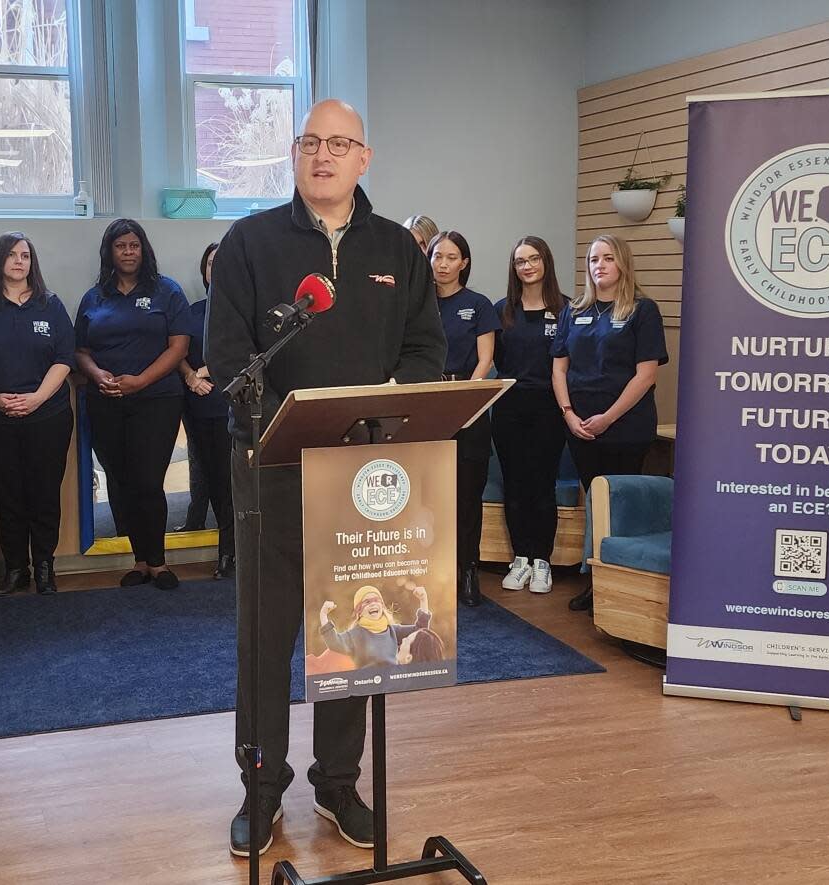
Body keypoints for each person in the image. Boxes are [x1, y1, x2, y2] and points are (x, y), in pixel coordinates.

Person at [206, 98, 446, 858]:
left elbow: (424, 350)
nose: (323, 155)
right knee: (266, 641)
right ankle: (262, 787)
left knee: (358, 636)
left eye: (339, 143)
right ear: (294, 152)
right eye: (311, 141)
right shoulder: (249, 243)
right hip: (273, 476)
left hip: (365, 481)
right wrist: (284, 427)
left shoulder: (398, 251)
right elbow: (229, 357)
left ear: (364, 159)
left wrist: (374, 423)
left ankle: (339, 782)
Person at [551, 233, 668, 612]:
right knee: (594, 505)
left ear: (622, 264)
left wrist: (608, 419)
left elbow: (645, 375)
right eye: (593, 259)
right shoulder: (575, 309)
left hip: (625, 427)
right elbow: (559, 367)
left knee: (618, 504)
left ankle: (618, 586)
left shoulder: (641, 310)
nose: (598, 265)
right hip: (580, 425)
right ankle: (595, 581)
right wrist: (569, 414)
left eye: (607, 258)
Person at [74, 219, 192, 591]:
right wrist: (97, 374)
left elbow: (179, 347)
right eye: (121, 246)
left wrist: (140, 381)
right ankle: (138, 561)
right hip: (105, 401)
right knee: (121, 482)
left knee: (147, 479)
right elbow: (81, 351)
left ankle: (158, 562)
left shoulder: (166, 291)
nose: (128, 252)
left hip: (156, 400)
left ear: (143, 250)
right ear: (109, 252)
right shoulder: (94, 298)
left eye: (134, 246)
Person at [0, 233, 75, 597]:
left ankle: (46, 567)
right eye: (12, 255)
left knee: (44, 493)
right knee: (6, 496)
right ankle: (15, 568)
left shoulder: (50, 305)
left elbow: (64, 358)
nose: (20, 261)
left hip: (47, 415)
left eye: (26, 256)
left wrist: (35, 399)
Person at [490, 236, 569, 595]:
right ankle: (520, 558)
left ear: (546, 262)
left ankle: (542, 561)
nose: (527, 266)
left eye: (534, 259)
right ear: (514, 268)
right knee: (515, 485)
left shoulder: (567, 309)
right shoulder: (502, 310)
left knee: (542, 486)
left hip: (548, 409)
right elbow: (495, 360)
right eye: (520, 261)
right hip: (510, 409)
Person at [430, 230, 495, 607]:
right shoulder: (418, 303)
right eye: (438, 256)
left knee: (467, 496)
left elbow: (485, 360)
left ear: (464, 263)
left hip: (469, 409)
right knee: (430, 497)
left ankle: (468, 571)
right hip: (429, 410)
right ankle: (435, 573)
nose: (443, 263)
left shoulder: (478, 304)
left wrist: (465, 398)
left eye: (451, 257)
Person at [178, 241, 235, 579]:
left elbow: (247, 351)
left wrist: (208, 370)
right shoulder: (193, 310)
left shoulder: (245, 309)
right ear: (205, 270)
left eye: (223, 262)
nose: (217, 268)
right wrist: (190, 375)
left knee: (232, 485)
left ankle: (229, 553)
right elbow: (177, 349)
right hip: (199, 406)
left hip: (231, 406)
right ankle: (216, 541)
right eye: (212, 262)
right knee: (210, 480)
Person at [318, 586, 430, 669]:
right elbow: (334, 643)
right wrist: (323, 615)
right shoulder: (356, 634)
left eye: (376, 600)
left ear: (382, 606)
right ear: (359, 612)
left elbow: (420, 631)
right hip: (366, 683)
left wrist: (423, 600)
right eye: (366, 602)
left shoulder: (393, 631)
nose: (372, 604)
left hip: (391, 682)